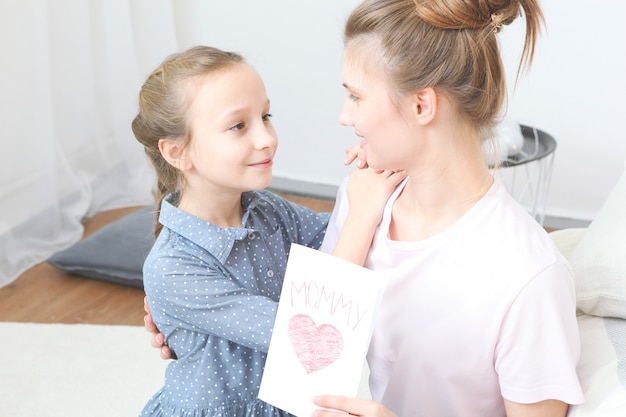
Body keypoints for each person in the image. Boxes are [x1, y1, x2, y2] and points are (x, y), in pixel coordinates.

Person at [145, 0, 585, 415]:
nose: (343, 116)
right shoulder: (363, 205)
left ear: (420, 105)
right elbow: (310, 333)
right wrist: (186, 322)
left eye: (355, 96)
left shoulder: (528, 280)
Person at [131, 45, 405, 417]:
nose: (266, 138)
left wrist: (381, 168)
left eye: (266, 116)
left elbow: (338, 240)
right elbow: (309, 333)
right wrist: (362, 214)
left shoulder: (267, 210)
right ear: (178, 153)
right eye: (238, 126)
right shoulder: (172, 269)